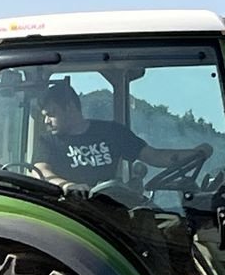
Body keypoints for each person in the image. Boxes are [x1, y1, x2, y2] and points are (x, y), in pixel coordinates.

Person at [32, 79, 212, 199]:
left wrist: (196, 154)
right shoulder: (48, 142)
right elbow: (40, 172)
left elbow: (154, 156)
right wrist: (67, 185)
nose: (46, 121)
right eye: (45, 116)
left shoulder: (111, 132)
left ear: (70, 108)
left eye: (51, 114)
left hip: (110, 207)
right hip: (72, 213)